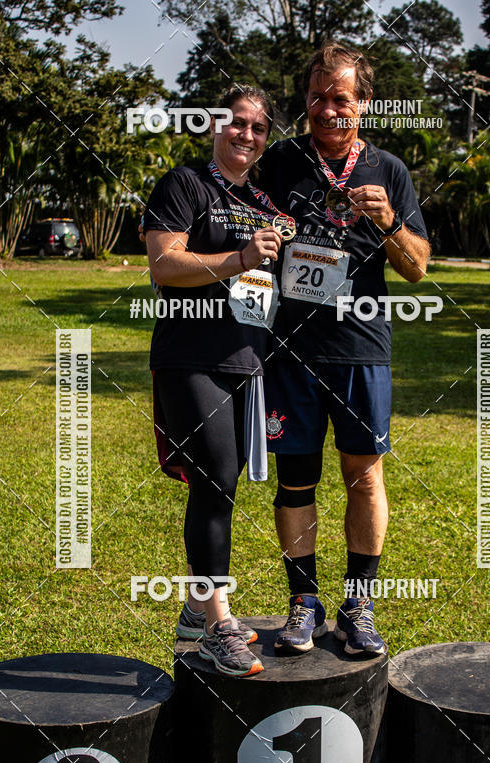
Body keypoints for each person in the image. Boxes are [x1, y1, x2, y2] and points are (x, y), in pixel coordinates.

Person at [257, 43, 430, 657]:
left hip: (360, 347)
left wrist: (387, 225)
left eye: (342, 99)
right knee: (296, 479)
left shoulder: (389, 169)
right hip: (290, 350)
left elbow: (415, 269)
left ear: (364, 103)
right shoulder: (278, 162)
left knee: (363, 475)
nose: (328, 110)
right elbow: (233, 214)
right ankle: (303, 602)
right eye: (317, 99)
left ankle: (359, 603)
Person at [143, 85, 284, 677]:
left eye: (257, 127)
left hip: (243, 359)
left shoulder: (261, 201)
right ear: (214, 126)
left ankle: (195, 610)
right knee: (216, 477)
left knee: (220, 481)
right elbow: (164, 265)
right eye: (236, 123)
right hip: (188, 357)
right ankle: (218, 626)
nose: (246, 134)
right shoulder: (183, 183)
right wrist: (238, 259)